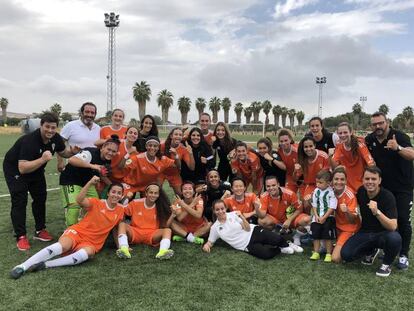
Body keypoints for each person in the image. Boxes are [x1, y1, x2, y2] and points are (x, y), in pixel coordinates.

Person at [10, 176, 125, 279]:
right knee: (62, 246)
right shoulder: (97, 202)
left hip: (93, 243)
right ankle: (23, 266)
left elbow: (117, 229)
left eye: (119, 193)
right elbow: (79, 200)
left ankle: (46, 264)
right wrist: (90, 183)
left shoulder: (120, 210)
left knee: (87, 254)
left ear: (121, 196)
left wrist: (121, 246)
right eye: (113, 192)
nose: (116, 195)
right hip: (78, 232)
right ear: (108, 193)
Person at [3, 112, 78, 251]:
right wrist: (43, 159)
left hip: (36, 170)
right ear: (41, 125)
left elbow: (63, 152)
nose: (50, 130)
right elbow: (23, 168)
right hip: (16, 170)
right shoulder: (29, 140)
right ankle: (21, 236)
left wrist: (72, 151)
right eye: (47, 127)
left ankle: (40, 230)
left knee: (40, 197)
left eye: (53, 127)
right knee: (20, 200)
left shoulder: (55, 138)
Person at [365, 111, 414, 270]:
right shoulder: (370, 139)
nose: (378, 126)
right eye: (374, 124)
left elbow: (412, 154)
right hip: (382, 189)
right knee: (380, 219)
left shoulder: (399, 136)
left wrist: (397, 147)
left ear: (387, 122)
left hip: (402, 188)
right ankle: (386, 248)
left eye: (380, 123)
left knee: (403, 220)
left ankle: (403, 254)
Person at [341, 166, 402, 277]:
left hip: (383, 234)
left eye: (373, 179)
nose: (370, 182)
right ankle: (370, 250)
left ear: (379, 181)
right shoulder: (361, 191)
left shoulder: (388, 196)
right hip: (365, 232)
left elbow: (393, 226)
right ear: (363, 180)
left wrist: (377, 212)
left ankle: (386, 264)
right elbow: (353, 210)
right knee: (346, 255)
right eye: (367, 179)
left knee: (395, 238)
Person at [202, 200, 295, 259]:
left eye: (222, 208)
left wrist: (242, 217)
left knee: (277, 239)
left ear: (225, 208)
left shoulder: (233, 214)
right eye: (217, 210)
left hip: (253, 231)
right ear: (214, 211)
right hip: (246, 245)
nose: (220, 211)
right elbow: (210, 242)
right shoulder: (215, 228)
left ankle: (287, 244)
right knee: (266, 255)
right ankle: (280, 249)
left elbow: (247, 228)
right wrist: (206, 246)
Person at [60, 136, 120, 226]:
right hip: (70, 180)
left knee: (94, 205)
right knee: (74, 206)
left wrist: (113, 186)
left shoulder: (107, 161)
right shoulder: (90, 152)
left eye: (114, 151)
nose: (110, 153)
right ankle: (70, 231)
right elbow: (72, 160)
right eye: (109, 149)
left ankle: (85, 227)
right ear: (102, 147)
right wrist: (93, 166)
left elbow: (102, 175)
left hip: (87, 183)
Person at [115, 183, 175, 260]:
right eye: (151, 192)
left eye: (155, 193)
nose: (153, 195)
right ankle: (124, 248)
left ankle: (163, 251)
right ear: (146, 193)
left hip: (152, 234)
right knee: (122, 224)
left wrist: (173, 214)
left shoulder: (160, 206)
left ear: (159, 195)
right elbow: (122, 209)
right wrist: (127, 197)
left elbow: (165, 226)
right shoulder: (136, 202)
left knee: (168, 230)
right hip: (135, 232)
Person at [257, 175, 310, 250]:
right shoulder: (263, 196)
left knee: (307, 219)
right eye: (268, 186)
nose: (271, 188)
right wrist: (256, 208)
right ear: (265, 186)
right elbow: (262, 215)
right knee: (261, 220)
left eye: (273, 185)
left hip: (290, 220)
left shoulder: (289, 193)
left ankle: (297, 236)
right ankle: (276, 233)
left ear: (278, 184)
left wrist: (289, 220)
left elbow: (299, 209)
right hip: (276, 220)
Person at [331, 122, 375, 192]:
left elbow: (371, 164)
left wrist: (369, 181)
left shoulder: (359, 144)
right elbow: (334, 166)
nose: (343, 135)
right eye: (340, 133)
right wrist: (330, 157)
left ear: (351, 132)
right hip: (345, 185)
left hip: (361, 185)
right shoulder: (339, 145)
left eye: (345, 132)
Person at [57, 102, 101, 172]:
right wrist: (60, 161)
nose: (89, 115)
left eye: (92, 113)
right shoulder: (70, 126)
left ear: (95, 114)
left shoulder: (98, 128)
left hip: (92, 168)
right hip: (74, 167)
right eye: (87, 112)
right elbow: (58, 144)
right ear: (81, 113)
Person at [331, 166, 361, 263]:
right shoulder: (329, 191)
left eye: (342, 179)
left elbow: (353, 220)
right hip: (335, 226)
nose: (339, 182)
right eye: (336, 179)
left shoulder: (349, 195)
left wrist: (347, 211)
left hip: (348, 228)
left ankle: (358, 244)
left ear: (346, 181)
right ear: (332, 180)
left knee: (335, 258)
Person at [295, 136, 330, 211]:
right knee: (306, 203)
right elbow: (296, 178)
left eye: (311, 146)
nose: (308, 149)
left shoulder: (323, 156)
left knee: (327, 203)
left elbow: (327, 176)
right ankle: (308, 220)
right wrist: (296, 170)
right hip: (310, 185)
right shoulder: (301, 158)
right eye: (306, 147)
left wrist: (316, 192)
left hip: (324, 184)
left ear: (315, 145)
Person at [309, 170, 337, 263]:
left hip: (328, 217)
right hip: (317, 217)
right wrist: (316, 216)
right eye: (317, 182)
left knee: (327, 235)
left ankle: (329, 253)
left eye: (320, 182)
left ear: (328, 183)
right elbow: (314, 204)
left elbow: (332, 207)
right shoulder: (316, 191)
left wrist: (324, 217)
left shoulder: (331, 192)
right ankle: (316, 252)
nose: (318, 184)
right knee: (315, 234)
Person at [161, 127, 195, 195]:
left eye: (180, 135)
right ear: (171, 136)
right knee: (154, 189)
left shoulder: (183, 149)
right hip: (161, 172)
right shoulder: (162, 145)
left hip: (174, 173)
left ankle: (181, 205)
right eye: (176, 134)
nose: (178, 136)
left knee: (181, 194)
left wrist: (190, 153)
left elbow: (192, 167)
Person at [277, 129, 300, 193]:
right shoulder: (279, 151)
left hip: (302, 177)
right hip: (290, 177)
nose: (283, 143)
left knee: (304, 200)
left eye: (286, 140)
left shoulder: (297, 150)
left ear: (290, 140)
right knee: (288, 196)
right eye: (281, 141)